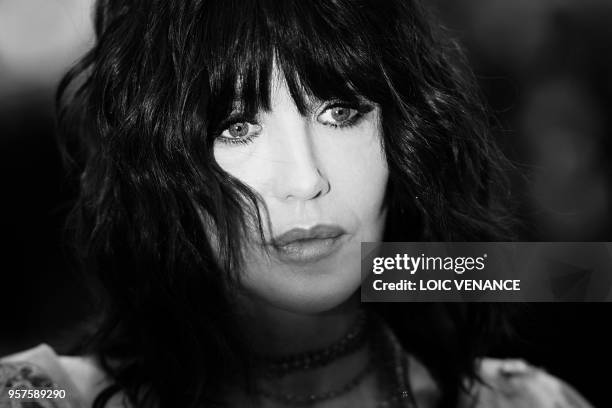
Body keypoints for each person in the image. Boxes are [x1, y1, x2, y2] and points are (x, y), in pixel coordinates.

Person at [0, 1, 594, 407]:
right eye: (235, 128)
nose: (306, 179)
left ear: (405, 137)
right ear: (154, 163)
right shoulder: (36, 394)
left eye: (341, 112)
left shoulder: (527, 401)